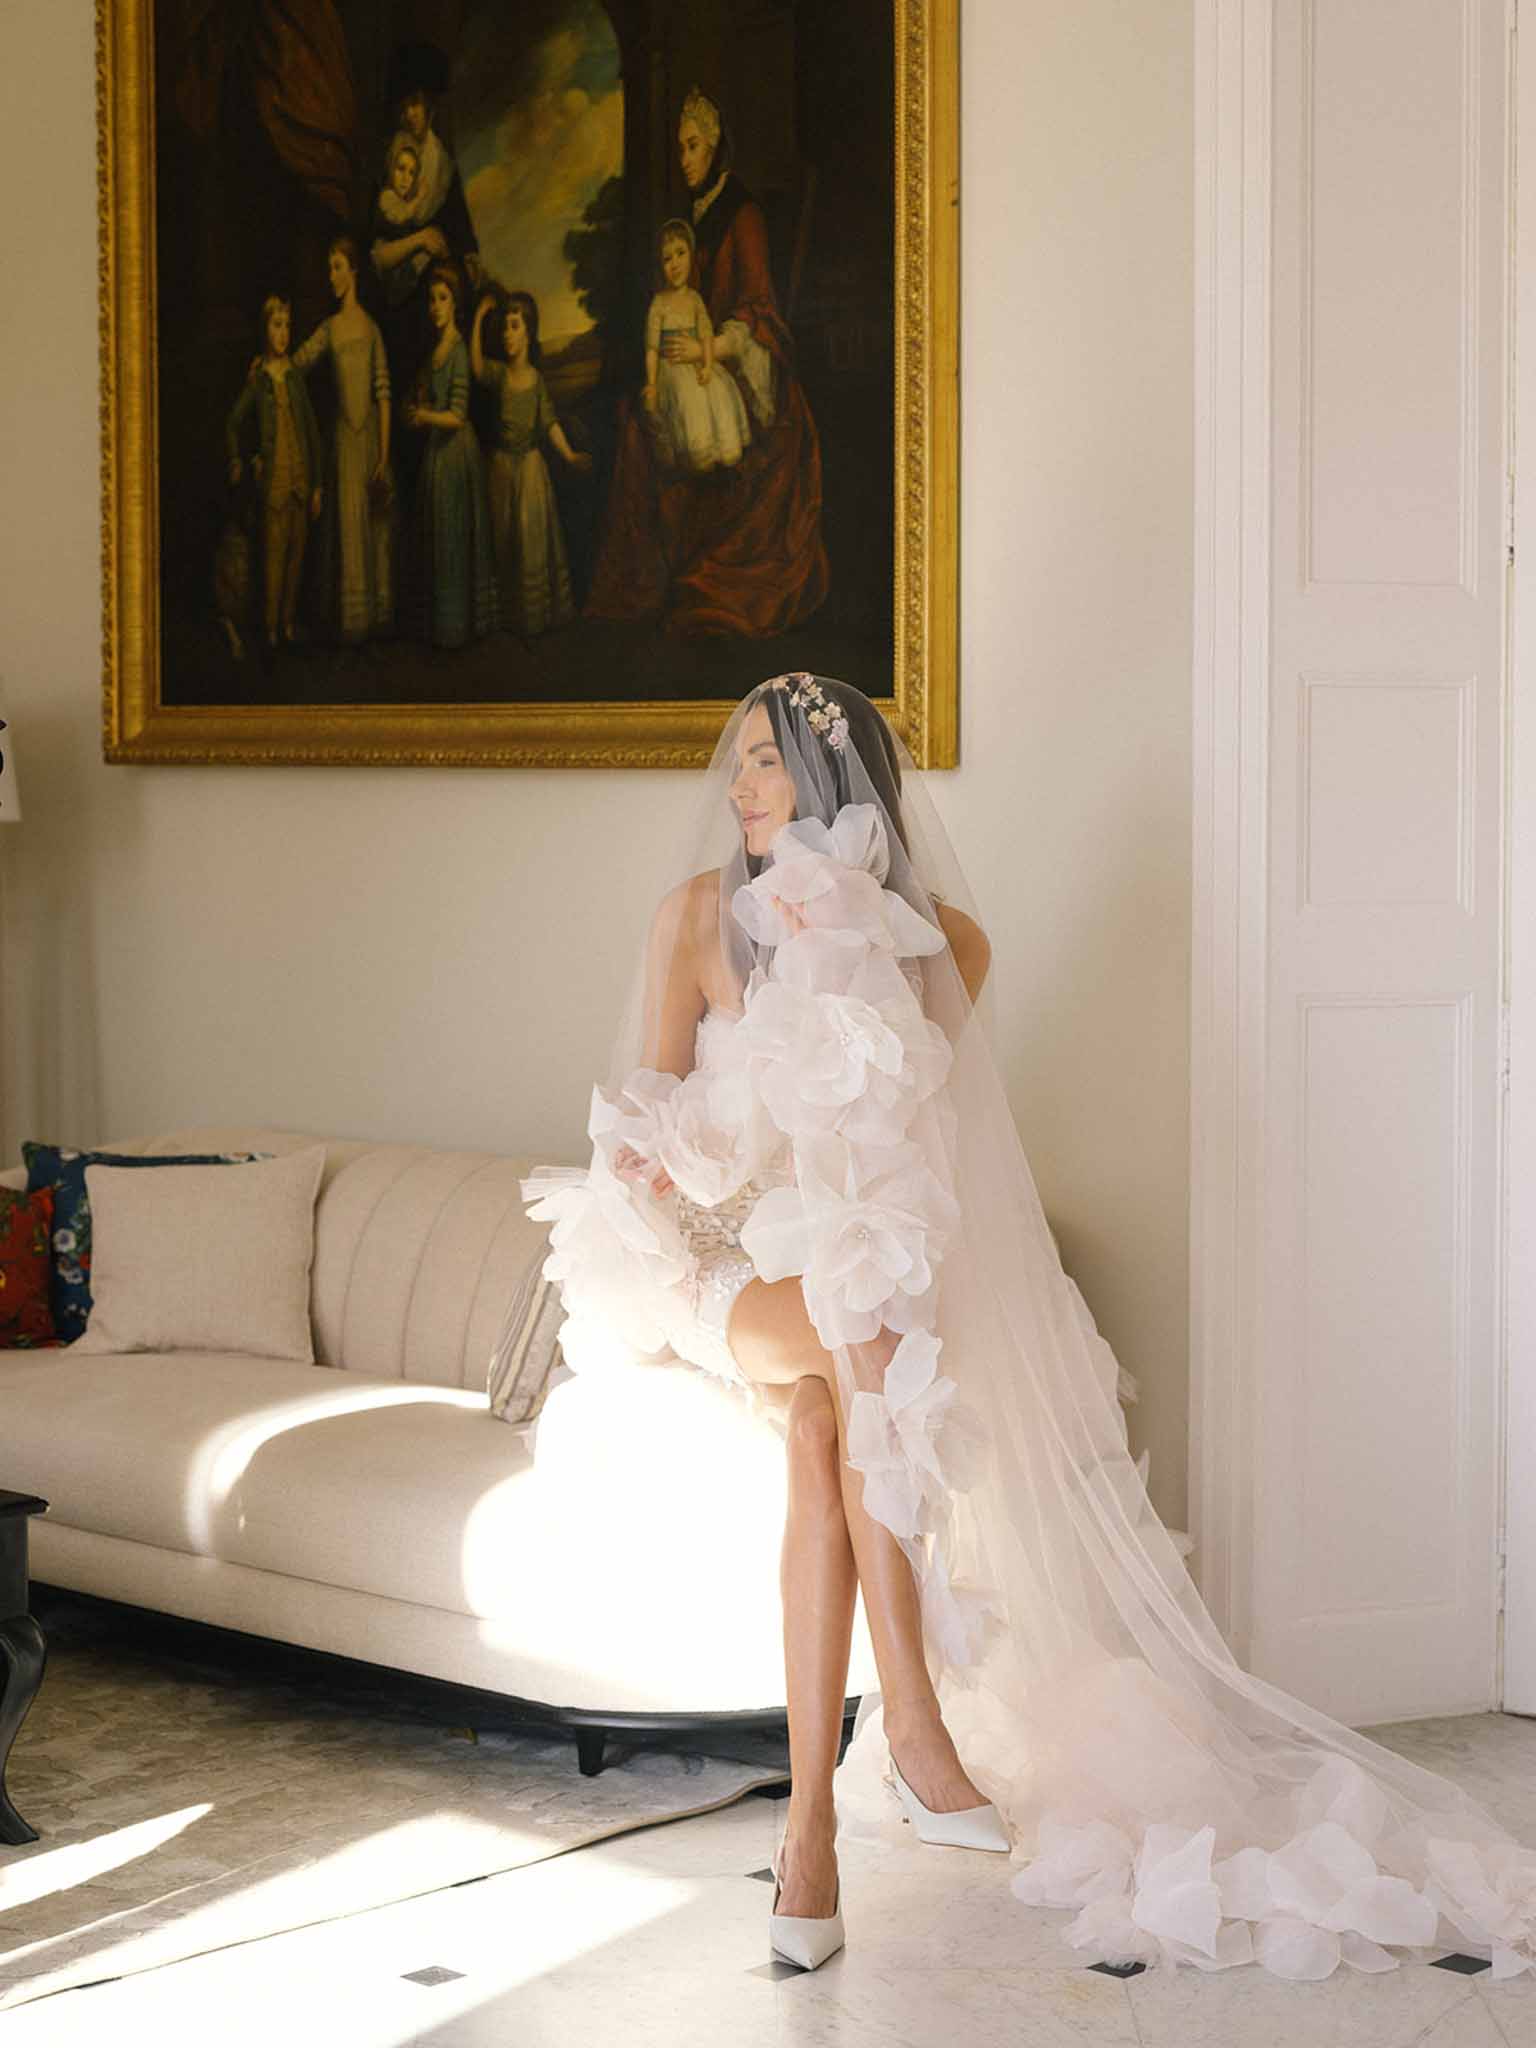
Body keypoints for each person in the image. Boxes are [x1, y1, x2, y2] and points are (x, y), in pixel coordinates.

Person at [516, 674, 1536, 1981]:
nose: (741, 783)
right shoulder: (693, 923)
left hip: (844, 1280)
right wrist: (680, 1148)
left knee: (832, 1409)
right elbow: (650, 1125)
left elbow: (925, 1165)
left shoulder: (946, 948)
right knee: (849, 1347)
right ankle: (922, 1734)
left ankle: (810, 1849)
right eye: (743, 760)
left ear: (838, 789)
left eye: (769, 763)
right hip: (714, 1266)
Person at [585, 88, 829, 635]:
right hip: (689, 363)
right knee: (632, 420)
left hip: (741, 363)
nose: (684, 159)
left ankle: (692, 577)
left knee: (692, 430)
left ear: (715, 147)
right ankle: (645, 583)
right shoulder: (688, 220)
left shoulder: (742, 214)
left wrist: (705, 349)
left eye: (693, 147)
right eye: (680, 149)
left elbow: (758, 309)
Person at [469, 289, 590, 638]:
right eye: (504, 327)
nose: (507, 334)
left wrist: (568, 455)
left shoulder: (535, 380)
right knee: (503, 541)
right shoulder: (499, 374)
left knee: (529, 542)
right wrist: (479, 317)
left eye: (514, 326)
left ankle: (531, 621)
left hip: (531, 471)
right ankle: (507, 618)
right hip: (501, 469)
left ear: (528, 332)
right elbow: (476, 367)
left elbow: (549, 422)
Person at [292, 237, 393, 644]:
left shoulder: (369, 328)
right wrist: (267, 361)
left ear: (354, 271)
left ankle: (375, 625)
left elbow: (383, 393)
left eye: (337, 267)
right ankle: (353, 630)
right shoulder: (330, 329)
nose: (331, 276)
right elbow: (297, 362)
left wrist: (384, 454)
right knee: (347, 530)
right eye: (329, 268)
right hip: (342, 444)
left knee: (375, 530)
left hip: (369, 440)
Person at [402, 263, 495, 650]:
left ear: (455, 305)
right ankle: (439, 628)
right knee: (438, 537)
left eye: (443, 300)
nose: (435, 307)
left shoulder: (457, 349)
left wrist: (424, 415)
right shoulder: (434, 352)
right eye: (432, 300)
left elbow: (457, 415)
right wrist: (415, 406)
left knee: (454, 537)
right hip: (436, 456)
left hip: (456, 455)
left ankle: (455, 630)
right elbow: (426, 395)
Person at [225, 293, 323, 650]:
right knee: (273, 558)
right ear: (265, 329)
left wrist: (317, 486)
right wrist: (239, 458)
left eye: (287, 326)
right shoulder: (259, 379)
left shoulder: (295, 376)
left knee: (297, 554)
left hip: (300, 479)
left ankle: (286, 622)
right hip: (273, 484)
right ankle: (269, 627)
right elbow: (234, 422)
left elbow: (311, 431)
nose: (283, 334)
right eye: (276, 325)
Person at [643, 217, 750, 474]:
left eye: (680, 253)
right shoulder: (659, 302)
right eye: (667, 258)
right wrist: (652, 383)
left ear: (691, 255)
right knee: (690, 406)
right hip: (672, 369)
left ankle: (723, 460)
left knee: (718, 395)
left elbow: (705, 336)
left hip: (699, 363)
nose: (675, 264)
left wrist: (709, 365)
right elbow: (652, 349)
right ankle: (700, 464)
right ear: (660, 265)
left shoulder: (695, 300)